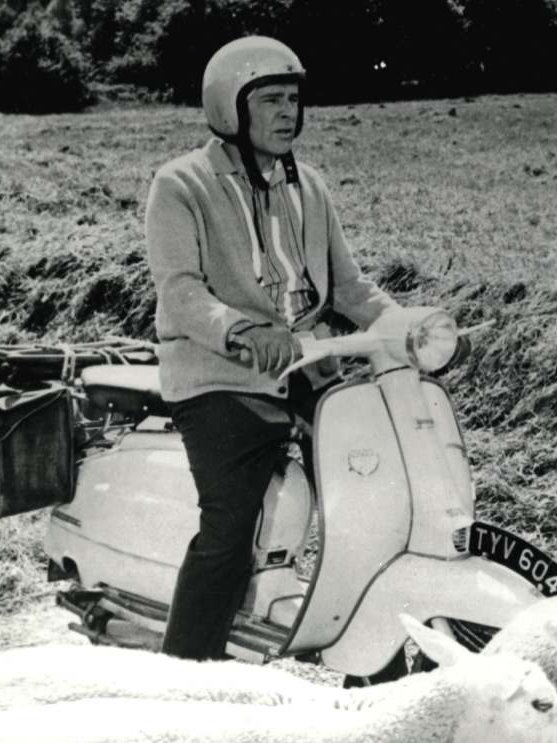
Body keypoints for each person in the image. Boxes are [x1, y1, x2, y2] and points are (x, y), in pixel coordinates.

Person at [144, 36, 398, 660]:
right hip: (219, 377)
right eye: (271, 100)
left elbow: (349, 285)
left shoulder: (307, 185)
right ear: (231, 108)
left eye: (294, 99)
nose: (288, 113)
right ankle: (184, 674)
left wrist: (409, 324)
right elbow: (179, 292)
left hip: (307, 371)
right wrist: (242, 331)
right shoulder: (181, 185)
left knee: (376, 490)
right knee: (232, 524)